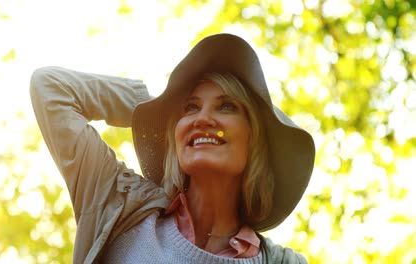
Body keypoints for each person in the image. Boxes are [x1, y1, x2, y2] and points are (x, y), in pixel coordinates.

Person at [30, 33, 315, 263]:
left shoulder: (280, 261)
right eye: (190, 108)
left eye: (226, 106)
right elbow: (50, 87)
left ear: (255, 139)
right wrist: (154, 108)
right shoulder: (119, 206)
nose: (202, 118)